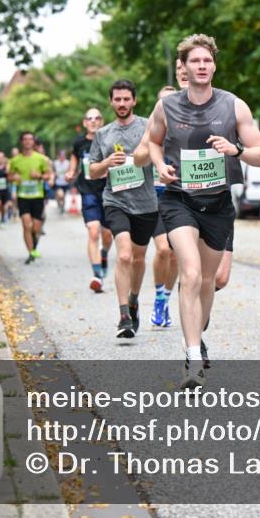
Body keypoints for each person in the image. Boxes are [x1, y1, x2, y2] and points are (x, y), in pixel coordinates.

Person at [137, 33, 260, 389]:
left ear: (214, 64)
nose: (202, 66)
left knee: (208, 281)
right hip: (179, 199)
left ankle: (196, 330)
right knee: (191, 274)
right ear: (184, 67)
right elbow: (152, 140)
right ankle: (192, 358)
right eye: (195, 61)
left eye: (207, 60)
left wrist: (235, 149)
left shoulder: (234, 106)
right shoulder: (167, 106)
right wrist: (161, 165)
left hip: (218, 203)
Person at [87, 79, 161, 339]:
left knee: (139, 259)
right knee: (125, 256)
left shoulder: (147, 128)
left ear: (134, 101)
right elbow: (92, 171)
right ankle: (123, 316)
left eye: (126, 99)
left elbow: (161, 154)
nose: (121, 103)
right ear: (111, 102)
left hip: (146, 204)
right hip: (116, 201)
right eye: (117, 99)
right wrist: (107, 162)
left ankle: (133, 299)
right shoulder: (103, 134)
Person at [144, 85, 180, 327]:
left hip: (180, 196)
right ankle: (158, 297)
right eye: (162, 101)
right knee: (164, 250)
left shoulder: (186, 130)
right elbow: (137, 157)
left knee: (177, 254)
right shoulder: (151, 129)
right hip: (155, 196)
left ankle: (166, 298)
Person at [67, 108, 114, 293]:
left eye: (97, 118)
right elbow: (74, 156)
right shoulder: (79, 142)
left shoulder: (109, 139)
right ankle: (97, 275)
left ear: (102, 121)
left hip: (108, 191)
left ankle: (103, 254)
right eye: (89, 119)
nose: (93, 122)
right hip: (87, 190)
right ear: (85, 122)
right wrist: (72, 170)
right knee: (93, 231)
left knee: (107, 235)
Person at [8, 132, 50, 264]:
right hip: (23, 196)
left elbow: (48, 175)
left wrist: (39, 176)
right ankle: (31, 252)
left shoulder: (41, 159)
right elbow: (9, 176)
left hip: (37, 196)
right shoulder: (15, 160)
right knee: (27, 225)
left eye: (30, 139)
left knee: (36, 228)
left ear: (33, 142)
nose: (27, 142)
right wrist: (14, 178)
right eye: (25, 139)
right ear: (21, 142)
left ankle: (33, 246)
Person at [53, 150, 72, 214]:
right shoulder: (55, 163)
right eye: (61, 156)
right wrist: (54, 174)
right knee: (60, 195)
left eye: (63, 156)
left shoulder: (68, 163)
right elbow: (52, 171)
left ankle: (62, 207)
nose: (62, 157)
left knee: (63, 197)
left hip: (65, 183)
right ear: (58, 156)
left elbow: (70, 171)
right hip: (58, 183)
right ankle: (59, 203)